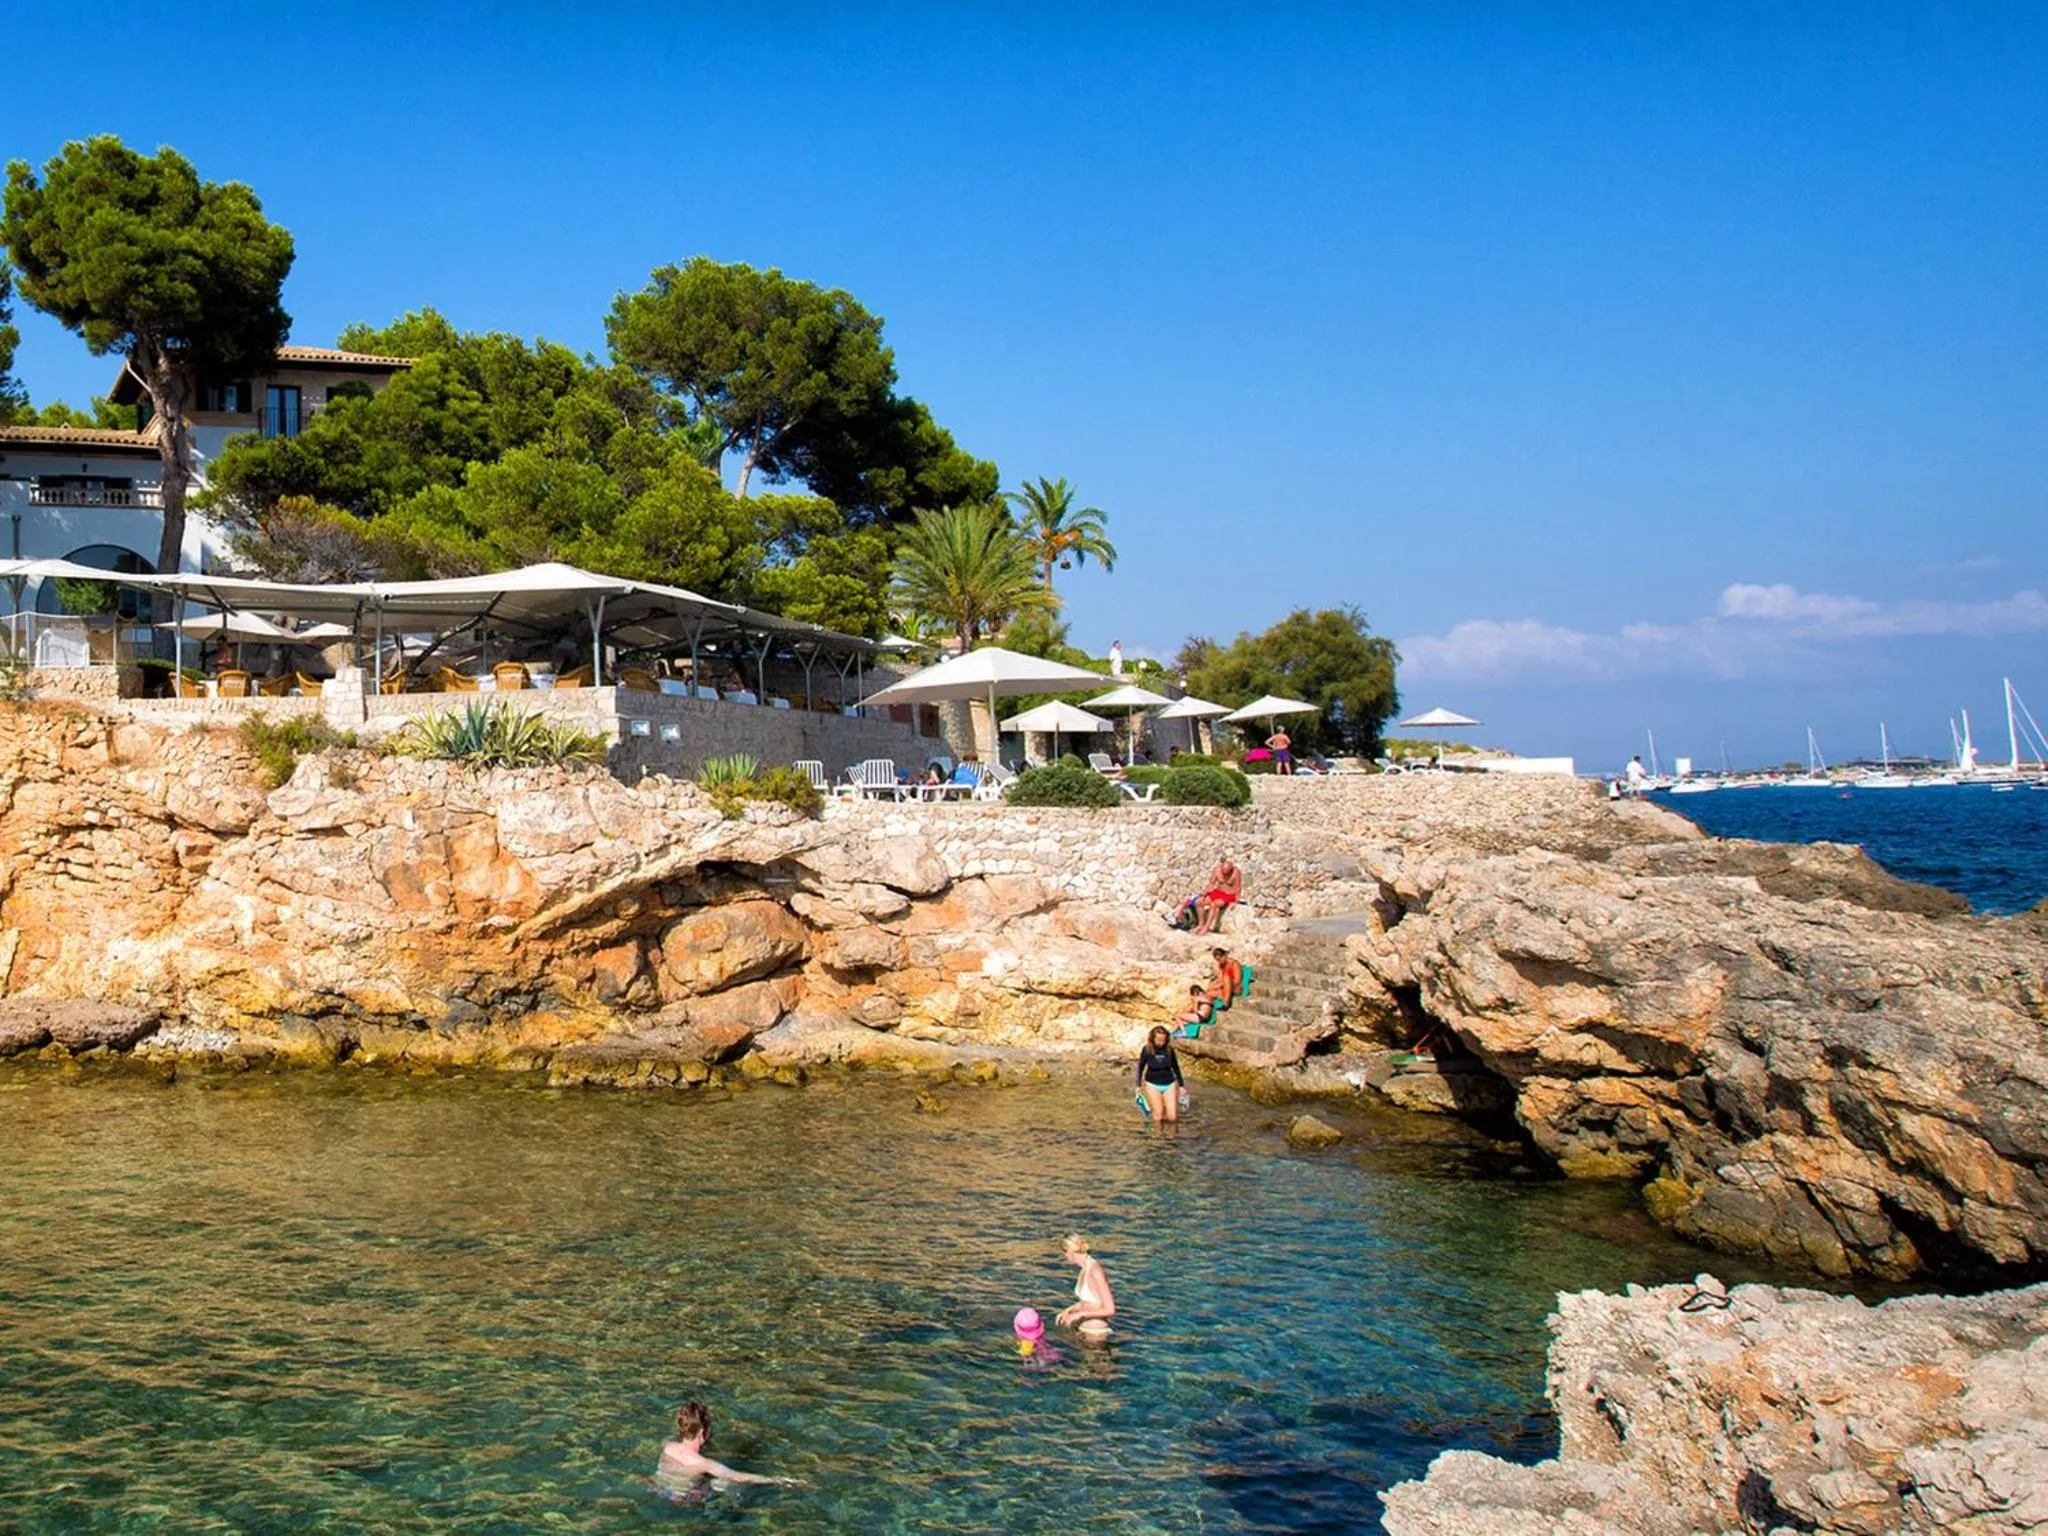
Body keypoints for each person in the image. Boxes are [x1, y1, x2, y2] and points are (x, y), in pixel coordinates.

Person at [656, 1401, 797, 1489]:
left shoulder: (668, 1446)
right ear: (703, 1432)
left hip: (658, 1489)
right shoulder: (706, 1464)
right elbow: (740, 1477)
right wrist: (778, 1480)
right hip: (685, 1501)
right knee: (722, 1484)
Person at [1056, 1234, 1116, 1337]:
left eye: (1064, 1252)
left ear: (1070, 1250)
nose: (1065, 1256)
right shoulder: (1084, 1269)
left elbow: (1110, 1309)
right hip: (1084, 1331)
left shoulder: (1095, 1271)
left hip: (1097, 1334)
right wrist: (1069, 1310)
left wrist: (1080, 1314)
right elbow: (1089, 1302)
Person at [1134, 1024, 1185, 1121]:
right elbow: (1140, 1067)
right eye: (1159, 1040)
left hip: (1169, 1083)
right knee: (1159, 1115)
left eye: (1163, 1040)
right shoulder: (1147, 1050)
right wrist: (1138, 1085)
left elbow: (1176, 1067)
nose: (1161, 1043)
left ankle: (1170, 1135)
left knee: (1172, 1117)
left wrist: (1181, 1086)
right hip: (1152, 1084)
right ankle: (1157, 1135)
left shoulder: (1169, 1050)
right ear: (1153, 1039)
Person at [1193, 856, 1242, 935]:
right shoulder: (1217, 870)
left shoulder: (1236, 872)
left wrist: (1236, 901)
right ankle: (1201, 924)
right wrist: (1205, 893)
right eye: (1223, 872)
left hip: (1229, 894)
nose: (1225, 875)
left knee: (1214, 904)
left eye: (1227, 872)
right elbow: (1211, 883)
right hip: (1218, 892)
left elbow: (1238, 887)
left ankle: (1206, 927)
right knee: (1199, 902)